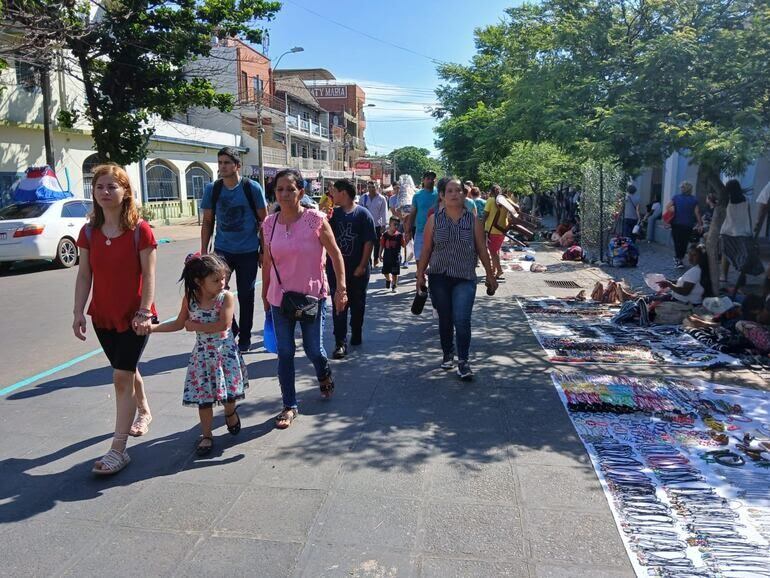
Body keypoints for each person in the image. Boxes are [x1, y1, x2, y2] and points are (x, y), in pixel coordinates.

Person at [73, 164, 157, 475]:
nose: (106, 192)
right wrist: (77, 312)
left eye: (112, 186)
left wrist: (145, 310)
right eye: (100, 187)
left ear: (125, 192)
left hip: (135, 316)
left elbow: (149, 275)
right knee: (126, 369)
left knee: (121, 378)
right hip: (102, 317)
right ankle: (144, 411)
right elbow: (84, 276)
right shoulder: (89, 232)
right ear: (93, 193)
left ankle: (117, 450)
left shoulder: (140, 230)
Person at [261, 169, 347, 429]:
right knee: (285, 352)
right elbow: (267, 262)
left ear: (301, 191)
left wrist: (341, 288)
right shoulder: (269, 223)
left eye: (290, 189)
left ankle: (323, 372)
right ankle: (289, 405)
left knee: (313, 350)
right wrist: (265, 294)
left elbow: (335, 254)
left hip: (312, 296)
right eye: (280, 190)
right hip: (280, 298)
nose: (285, 194)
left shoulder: (315, 219)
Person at [151, 254, 247, 456]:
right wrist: (152, 328)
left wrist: (195, 325)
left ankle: (230, 412)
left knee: (228, 395)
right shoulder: (191, 298)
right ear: (199, 281)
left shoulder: (226, 297)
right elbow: (178, 323)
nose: (222, 283)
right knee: (204, 398)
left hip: (224, 354)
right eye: (216, 280)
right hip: (202, 356)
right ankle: (206, 435)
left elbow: (224, 325)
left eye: (223, 278)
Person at [416, 178, 497, 380]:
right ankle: (447, 353)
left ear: (464, 194)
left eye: (458, 190)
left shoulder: (474, 222)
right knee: (445, 318)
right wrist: (420, 276)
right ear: (442, 195)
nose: (454, 194)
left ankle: (463, 361)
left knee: (462, 319)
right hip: (439, 277)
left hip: (465, 277)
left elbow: (482, 250)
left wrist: (490, 274)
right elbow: (426, 249)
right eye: (449, 191)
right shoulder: (434, 220)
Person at [200, 147, 268, 352]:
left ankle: (245, 337)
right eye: (220, 163)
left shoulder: (252, 187)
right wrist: (204, 250)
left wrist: (264, 250)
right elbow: (208, 221)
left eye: (227, 163)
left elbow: (264, 222)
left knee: (246, 295)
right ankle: (233, 329)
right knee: (217, 293)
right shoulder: (213, 189)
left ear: (237, 166)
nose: (222, 167)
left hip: (248, 251)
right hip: (222, 251)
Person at [326, 178, 377, 359]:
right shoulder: (332, 215)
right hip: (336, 270)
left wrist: (362, 265)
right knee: (339, 304)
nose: (331, 194)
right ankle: (340, 343)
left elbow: (368, 242)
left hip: (357, 270)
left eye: (334, 191)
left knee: (357, 305)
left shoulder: (363, 214)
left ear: (344, 193)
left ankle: (356, 331)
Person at [720, 179, 764, 293]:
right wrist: (750, 231)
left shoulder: (726, 200)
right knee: (742, 255)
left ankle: (723, 276)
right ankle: (742, 277)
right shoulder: (746, 200)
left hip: (727, 231)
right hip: (743, 232)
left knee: (726, 254)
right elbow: (748, 216)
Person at [666, 181, 702, 269]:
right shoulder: (694, 199)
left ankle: (679, 259)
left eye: (682, 187)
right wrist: (700, 224)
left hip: (677, 223)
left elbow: (668, 207)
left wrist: (675, 210)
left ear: (683, 189)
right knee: (684, 242)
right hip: (688, 224)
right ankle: (680, 258)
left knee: (677, 241)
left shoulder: (676, 198)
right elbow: (697, 213)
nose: (681, 189)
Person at [405, 170, 438, 260]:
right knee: (419, 257)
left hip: (437, 231)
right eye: (428, 178)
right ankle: (420, 273)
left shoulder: (440, 194)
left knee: (434, 259)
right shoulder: (417, 195)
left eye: (433, 179)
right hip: (420, 231)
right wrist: (408, 230)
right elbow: (412, 213)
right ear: (423, 180)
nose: (431, 180)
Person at [483, 184, 509, 280]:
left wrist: (481, 227)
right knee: (496, 251)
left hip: (492, 230)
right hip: (502, 230)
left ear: (491, 192)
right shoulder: (504, 201)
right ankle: (494, 270)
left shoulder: (490, 200)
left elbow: (485, 215)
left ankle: (499, 270)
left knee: (493, 252)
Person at [360, 181, 388, 267]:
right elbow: (359, 210)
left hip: (377, 225)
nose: (371, 189)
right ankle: (368, 260)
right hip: (365, 225)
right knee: (366, 243)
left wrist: (384, 225)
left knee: (377, 244)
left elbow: (384, 212)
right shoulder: (363, 197)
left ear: (377, 187)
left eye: (373, 187)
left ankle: (376, 259)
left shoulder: (382, 199)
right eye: (369, 187)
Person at [380, 217, 405, 292]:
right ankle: (388, 280)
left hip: (396, 258)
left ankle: (394, 285)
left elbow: (403, 245)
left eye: (398, 225)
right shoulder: (385, 235)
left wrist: (405, 239)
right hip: (387, 257)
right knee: (385, 272)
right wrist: (379, 254)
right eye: (395, 224)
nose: (396, 226)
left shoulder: (399, 235)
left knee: (395, 273)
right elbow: (382, 245)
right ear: (390, 224)